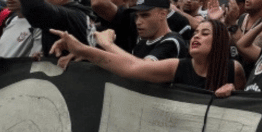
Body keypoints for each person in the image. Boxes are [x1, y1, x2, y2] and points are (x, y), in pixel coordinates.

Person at [52, 18, 245, 92]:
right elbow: (132, 67)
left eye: (205, 34)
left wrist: (233, 96)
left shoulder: (234, 70)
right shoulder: (175, 66)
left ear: (219, 41)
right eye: (195, 33)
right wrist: (84, 50)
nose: (196, 37)